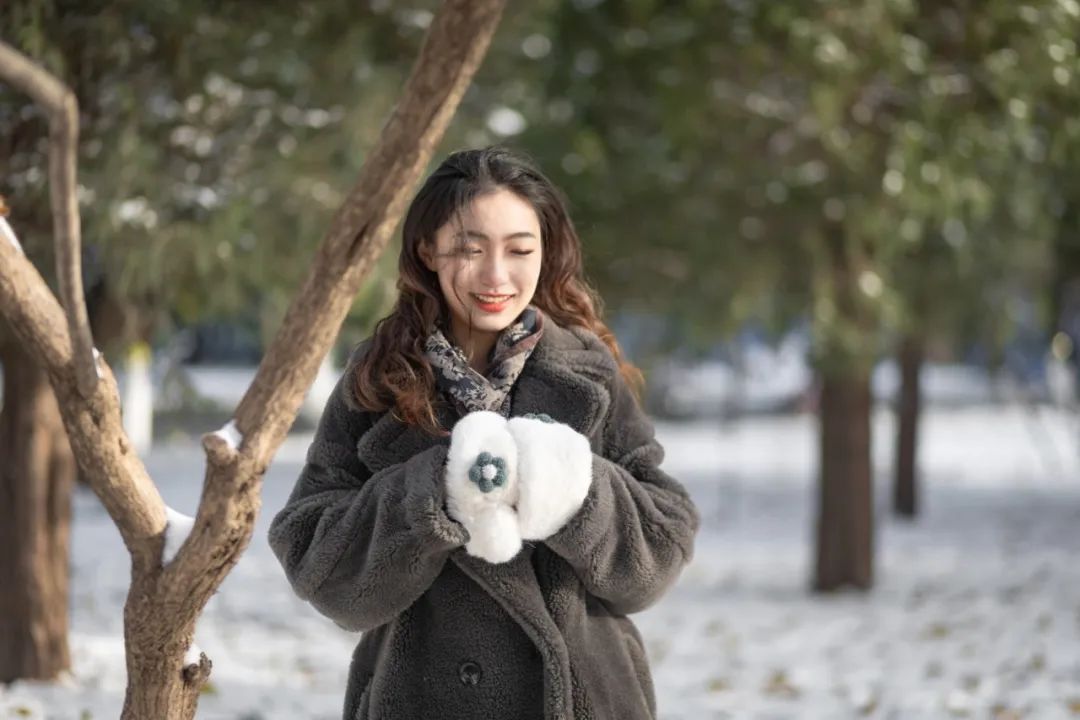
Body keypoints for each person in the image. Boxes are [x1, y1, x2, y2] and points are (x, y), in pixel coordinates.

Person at [268, 147, 699, 720]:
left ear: (545, 252)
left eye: (520, 250)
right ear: (428, 250)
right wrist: (436, 493)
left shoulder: (588, 372)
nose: (497, 276)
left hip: (583, 698)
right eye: (471, 249)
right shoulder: (378, 379)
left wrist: (574, 486)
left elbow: (660, 553)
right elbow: (317, 563)